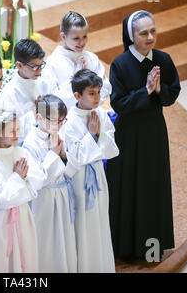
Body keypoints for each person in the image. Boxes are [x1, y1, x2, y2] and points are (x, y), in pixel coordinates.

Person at [106, 10, 180, 263]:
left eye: (153, 31)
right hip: (127, 135)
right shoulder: (119, 64)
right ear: (131, 36)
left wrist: (159, 90)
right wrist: (145, 91)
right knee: (128, 188)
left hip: (154, 133)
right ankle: (125, 249)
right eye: (143, 32)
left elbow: (172, 95)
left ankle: (151, 249)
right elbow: (118, 104)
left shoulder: (164, 59)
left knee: (152, 187)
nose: (150, 37)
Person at [62, 69, 119, 272]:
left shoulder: (102, 114)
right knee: (83, 225)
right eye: (92, 93)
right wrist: (93, 137)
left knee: (100, 222)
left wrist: (96, 139)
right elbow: (75, 157)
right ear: (78, 96)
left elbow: (112, 149)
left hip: (98, 177)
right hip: (79, 181)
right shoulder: (69, 121)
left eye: (98, 92)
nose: (97, 98)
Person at [0, 110, 45, 273]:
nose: (17, 134)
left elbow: (37, 181)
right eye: (11, 131)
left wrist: (19, 189)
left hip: (23, 216)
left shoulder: (22, 153)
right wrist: (18, 178)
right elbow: (0, 199)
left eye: (18, 129)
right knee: (1, 261)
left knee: (26, 256)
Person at [22, 94, 77, 273]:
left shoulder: (58, 135)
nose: (59, 126)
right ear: (39, 118)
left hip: (61, 196)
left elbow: (71, 170)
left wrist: (62, 156)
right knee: (46, 245)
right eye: (55, 121)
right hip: (44, 201)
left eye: (62, 121)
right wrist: (53, 154)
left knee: (63, 243)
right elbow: (37, 179)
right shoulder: (30, 142)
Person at [43, 11, 112, 110]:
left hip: (91, 115)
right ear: (63, 36)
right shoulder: (53, 63)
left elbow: (105, 87)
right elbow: (51, 100)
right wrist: (76, 80)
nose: (82, 42)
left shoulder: (92, 58)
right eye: (76, 38)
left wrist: (90, 102)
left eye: (85, 36)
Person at [0, 39, 52, 142]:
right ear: (19, 65)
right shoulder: (10, 93)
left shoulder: (44, 84)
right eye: (34, 66)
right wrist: (34, 114)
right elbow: (10, 130)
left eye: (41, 65)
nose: (39, 70)